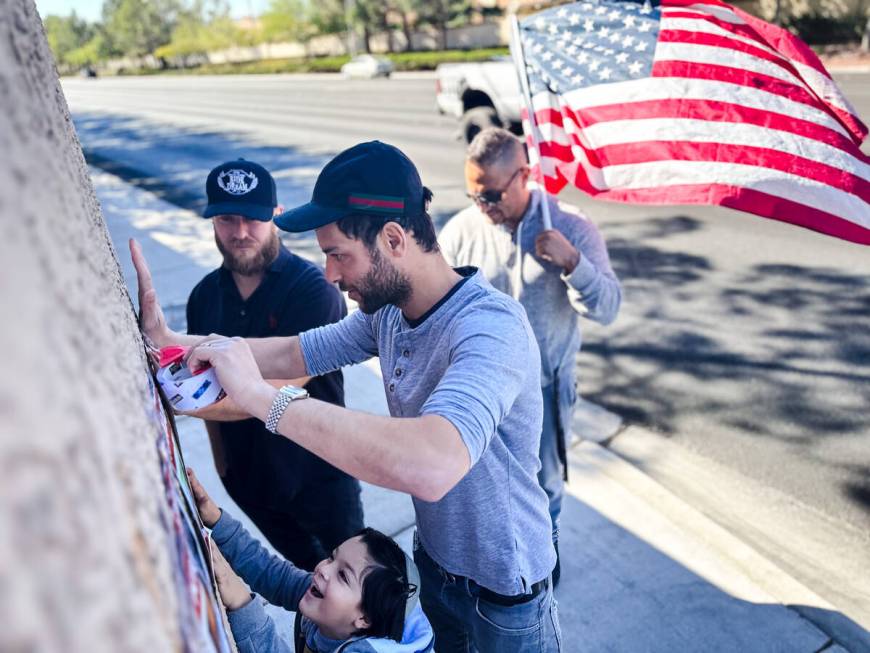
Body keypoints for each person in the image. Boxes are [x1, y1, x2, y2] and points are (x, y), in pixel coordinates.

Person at [131, 141, 561, 652]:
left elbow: (432, 463)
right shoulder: (387, 314)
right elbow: (293, 353)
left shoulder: (490, 329)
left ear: (394, 238)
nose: (330, 274)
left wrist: (261, 400)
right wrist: (176, 343)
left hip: (504, 597)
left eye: (338, 255)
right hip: (436, 569)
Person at [440, 128, 622, 586]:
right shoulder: (463, 230)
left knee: (542, 489)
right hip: (480, 390)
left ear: (525, 175)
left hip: (544, 388)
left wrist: (573, 264)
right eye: (475, 194)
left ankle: (544, 561)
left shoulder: (569, 226)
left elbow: (608, 308)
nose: (484, 207)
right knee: (478, 489)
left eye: (494, 195)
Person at [186, 158, 363, 571]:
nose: (241, 232)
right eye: (227, 219)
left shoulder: (314, 290)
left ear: (276, 217)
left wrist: (182, 405)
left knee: (357, 593)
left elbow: (284, 383)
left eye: (253, 219)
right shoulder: (202, 297)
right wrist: (223, 465)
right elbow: (204, 381)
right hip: (251, 481)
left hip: (319, 474)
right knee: (303, 584)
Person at [187, 468, 434, 653]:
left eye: (343, 575)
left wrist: (241, 603)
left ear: (364, 619)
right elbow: (275, 576)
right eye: (331, 558)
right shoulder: (330, 600)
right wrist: (218, 522)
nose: (324, 569)